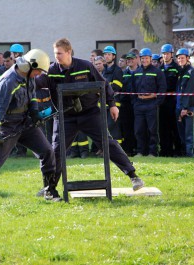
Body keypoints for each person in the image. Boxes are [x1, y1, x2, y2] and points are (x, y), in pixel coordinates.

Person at [37, 38, 145, 201]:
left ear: (68, 52)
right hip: (65, 116)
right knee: (56, 152)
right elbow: (36, 83)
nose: (57, 56)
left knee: (107, 143)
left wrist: (112, 104)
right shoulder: (51, 70)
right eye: (55, 54)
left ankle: (133, 176)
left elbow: (104, 84)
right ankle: (50, 189)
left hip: (89, 114)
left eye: (59, 53)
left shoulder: (85, 66)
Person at [0, 49, 59, 208]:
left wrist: (34, 112)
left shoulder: (29, 76)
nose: (39, 75)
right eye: (39, 71)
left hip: (25, 123)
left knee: (47, 151)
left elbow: (32, 95)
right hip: (7, 126)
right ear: (31, 65)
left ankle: (49, 190)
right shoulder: (9, 81)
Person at [132, 48, 167, 157]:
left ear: (151, 58)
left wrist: (156, 103)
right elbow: (132, 89)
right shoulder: (136, 72)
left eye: (146, 58)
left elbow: (162, 89)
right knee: (139, 130)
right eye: (142, 58)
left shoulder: (157, 72)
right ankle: (141, 151)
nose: (144, 60)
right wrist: (135, 103)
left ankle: (153, 152)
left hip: (152, 104)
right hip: (139, 105)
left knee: (152, 130)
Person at [175, 48, 194, 157]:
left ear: (188, 58)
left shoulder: (191, 72)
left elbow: (190, 91)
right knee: (182, 133)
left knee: (189, 132)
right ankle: (184, 153)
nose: (180, 60)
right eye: (178, 58)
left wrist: (185, 108)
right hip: (179, 106)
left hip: (188, 107)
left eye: (182, 58)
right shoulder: (181, 71)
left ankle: (191, 154)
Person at [159, 44, 182, 157]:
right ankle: (165, 150)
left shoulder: (177, 68)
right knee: (163, 127)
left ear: (172, 55)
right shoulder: (159, 68)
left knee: (174, 127)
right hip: (162, 101)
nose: (165, 56)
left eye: (167, 53)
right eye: (164, 54)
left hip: (173, 101)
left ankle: (177, 150)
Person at [120, 52, 139, 156]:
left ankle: (138, 148)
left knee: (139, 128)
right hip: (126, 104)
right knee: (127, 128)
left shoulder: (141, 71)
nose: (129, 61)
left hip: (139, 103)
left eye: (132, 59)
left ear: (136, 59)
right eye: (128, 59)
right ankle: (128, 149)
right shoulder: (124, 73)